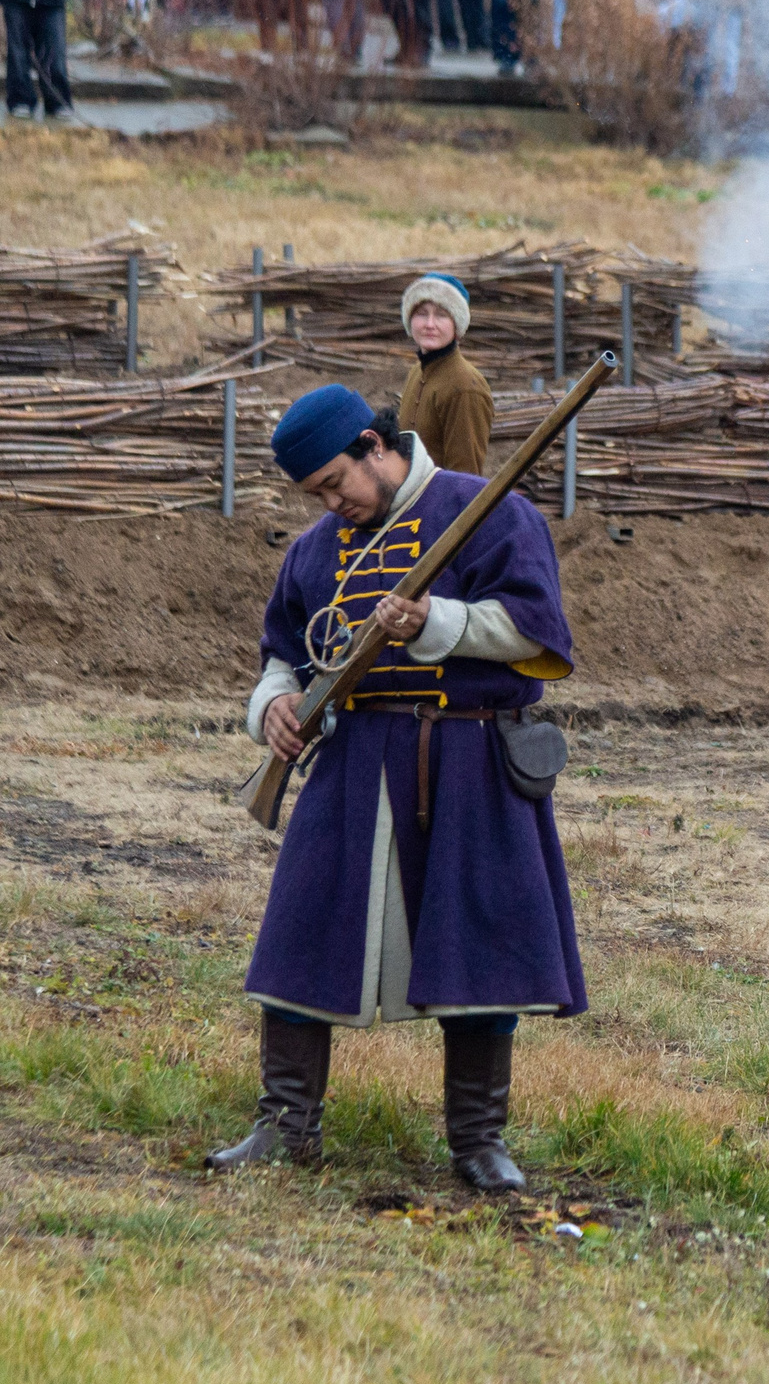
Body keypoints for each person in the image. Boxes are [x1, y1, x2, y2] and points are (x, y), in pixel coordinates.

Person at [209, 387, 582, 1191]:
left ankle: (480, 1145)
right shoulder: (314, 549)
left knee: (480, 945)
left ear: (376, 446)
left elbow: (537, 633)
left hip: (469, 755)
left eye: (336, 482)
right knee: (303, 933)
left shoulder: (486, 513)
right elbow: (283, 651)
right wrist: (274, 704)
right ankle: (286, 1126)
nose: (333, 504)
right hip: (353, 762)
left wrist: (436, 624)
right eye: (318, 494)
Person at [396, 274, 492, 475]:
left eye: (441, 315)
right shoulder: (416, 372)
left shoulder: (465, 386)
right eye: (422, 313)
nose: (430, 324)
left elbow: (465, 477)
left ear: (456, 325)